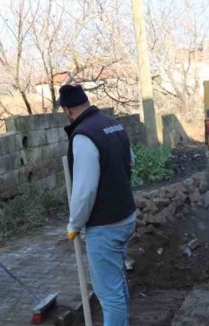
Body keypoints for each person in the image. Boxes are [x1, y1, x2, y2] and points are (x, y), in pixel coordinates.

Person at [59, 84, 137, 326]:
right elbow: (130, 160)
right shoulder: (111, 123)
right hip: (126, 215)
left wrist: (75, 223)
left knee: (108, 294)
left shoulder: (83, 135)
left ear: (67, 110)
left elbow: (85, 190)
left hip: (105, 225)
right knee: (117, 280)